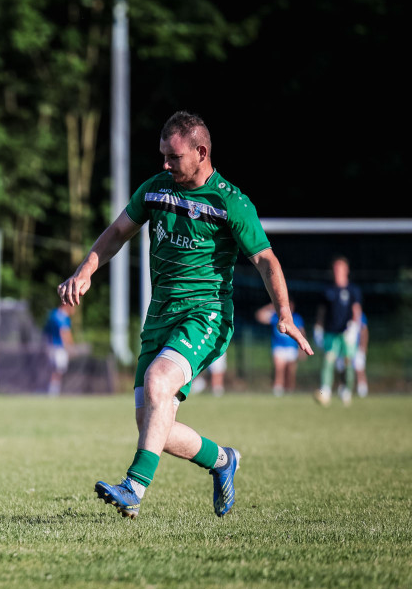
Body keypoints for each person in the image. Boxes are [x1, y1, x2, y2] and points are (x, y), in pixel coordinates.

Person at [58, 110, 312, 519]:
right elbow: (117, 232)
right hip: (159, 317)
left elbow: (266, 260)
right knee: (151, 423)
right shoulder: (156, 189)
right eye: (162, 155)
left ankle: (133, 488)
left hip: (206, 315)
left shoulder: (230, 202)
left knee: (159, 383)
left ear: (201, 152)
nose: (165, 164)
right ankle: (223, 460)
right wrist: (85, 270)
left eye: (173, 157)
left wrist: (284, 313)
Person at [313, 256, 362, 407]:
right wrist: (318, 327)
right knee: (328, 360)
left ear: (346, 270)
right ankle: (325, 390)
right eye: (335, 268)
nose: (337, 272)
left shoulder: (353, 290)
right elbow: (321, 312)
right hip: (330, 332)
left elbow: (356, 311)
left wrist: (354, 328)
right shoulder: (328, 290)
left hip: (347, 333)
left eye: (340, 268)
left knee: (347, 362)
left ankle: (346, 390)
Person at [256, 299, 307, 396]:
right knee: (279, 370)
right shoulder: (276, 317)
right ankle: (278, 391)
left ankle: (289, 392)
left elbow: (302, 333)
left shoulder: (296, 318)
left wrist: (302, 348)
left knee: (290, 373)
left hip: (292, 348)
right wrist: (270, 306)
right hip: (278, 347)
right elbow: (259, 316)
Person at [42, 303, 75, 395]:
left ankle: (51, 391)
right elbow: (64, 333)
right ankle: (53, 392)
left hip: (50, 346)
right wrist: (70, 347)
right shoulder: (62, 317)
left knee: (53, 370)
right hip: (59, 348)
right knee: (58, 371)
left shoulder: (53, 314)